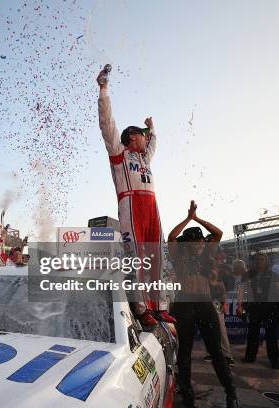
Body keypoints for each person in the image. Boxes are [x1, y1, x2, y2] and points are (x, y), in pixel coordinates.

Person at [96, 68, 174, 326]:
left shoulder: (144, 157)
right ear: (132, 137)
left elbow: (153, 144)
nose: (146, 138)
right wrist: (104, 90)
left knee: (158, 254)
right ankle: (142, 308)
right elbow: (108, 125)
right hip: (130, 203)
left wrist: (153, 128)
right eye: (142, 134)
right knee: (137, 255)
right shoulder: (119, 153)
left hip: (151, 205)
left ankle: (160, 305)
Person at [168, 200, 238, 408]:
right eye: (195, 241)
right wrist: (188, 218)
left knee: (216, 350)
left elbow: (217, 233)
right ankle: (188, 396)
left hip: (205, 304)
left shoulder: (207, 253)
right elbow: (172, 237)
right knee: (185, 352)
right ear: (187, 244)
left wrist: (197, 218)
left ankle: (231, 393)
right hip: (184, 304)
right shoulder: (179, 255)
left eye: (200, 241)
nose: (199, 244)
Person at [239, 253, 278, 368]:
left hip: (270, 308)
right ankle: (250, 357)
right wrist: (240, 305)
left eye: (262, 260)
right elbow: (241, 290)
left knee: (271, 335)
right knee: (252, 334)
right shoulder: (247, 275)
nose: (259, 261)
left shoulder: (273, 275)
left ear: (266, 261)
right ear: (254, 261)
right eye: (257, 259)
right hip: (253, 308)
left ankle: (274, 360)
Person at [204, 260, 235, 366]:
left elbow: (223, 292)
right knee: (208, 330)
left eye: (214, 267)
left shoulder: (219, 278)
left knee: (221, 330)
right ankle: (210, 353)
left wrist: (225, 304)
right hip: (204, 304)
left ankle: (227, 355)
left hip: (216, 304)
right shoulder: (202, 277)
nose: (213, 269)